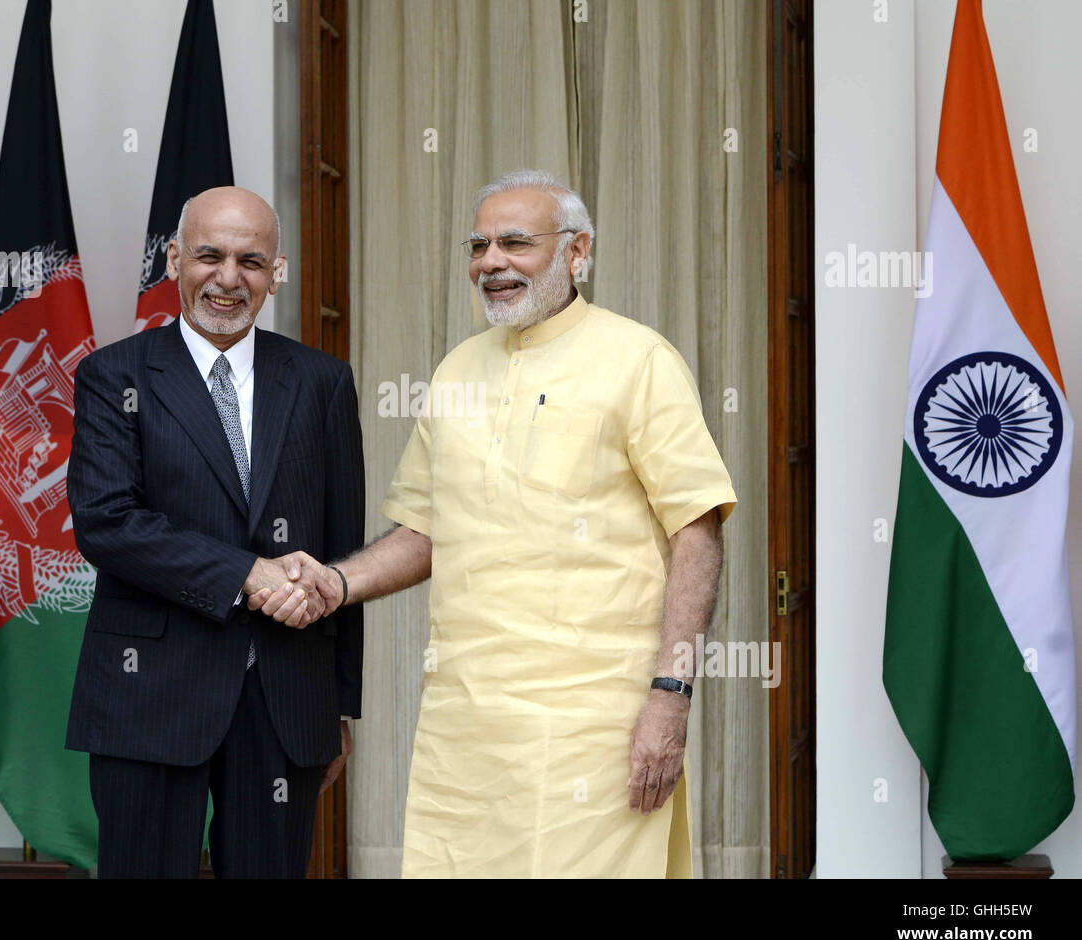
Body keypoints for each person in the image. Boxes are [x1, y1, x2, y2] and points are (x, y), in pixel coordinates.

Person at [253, 169, 735, 877]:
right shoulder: (455, 372)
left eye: (516, 242)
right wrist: (335, 582)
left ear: (578, 253)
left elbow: (697, 531)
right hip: (468, 722)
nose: (491, 262)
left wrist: (672, 694)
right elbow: (425, 531)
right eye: (479, 245)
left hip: (595, 722)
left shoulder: (640, 361)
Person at [65, 186, 362, 878]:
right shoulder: (113, 377)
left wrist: (338, 708)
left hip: (286, 701)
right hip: (148, 697)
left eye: (251, 261)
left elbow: (343, 552)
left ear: (276, 273)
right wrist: (245, 574)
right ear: (174, 259)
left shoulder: (323, 383)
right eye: (210, 255)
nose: (229, 279)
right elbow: (108, 523)